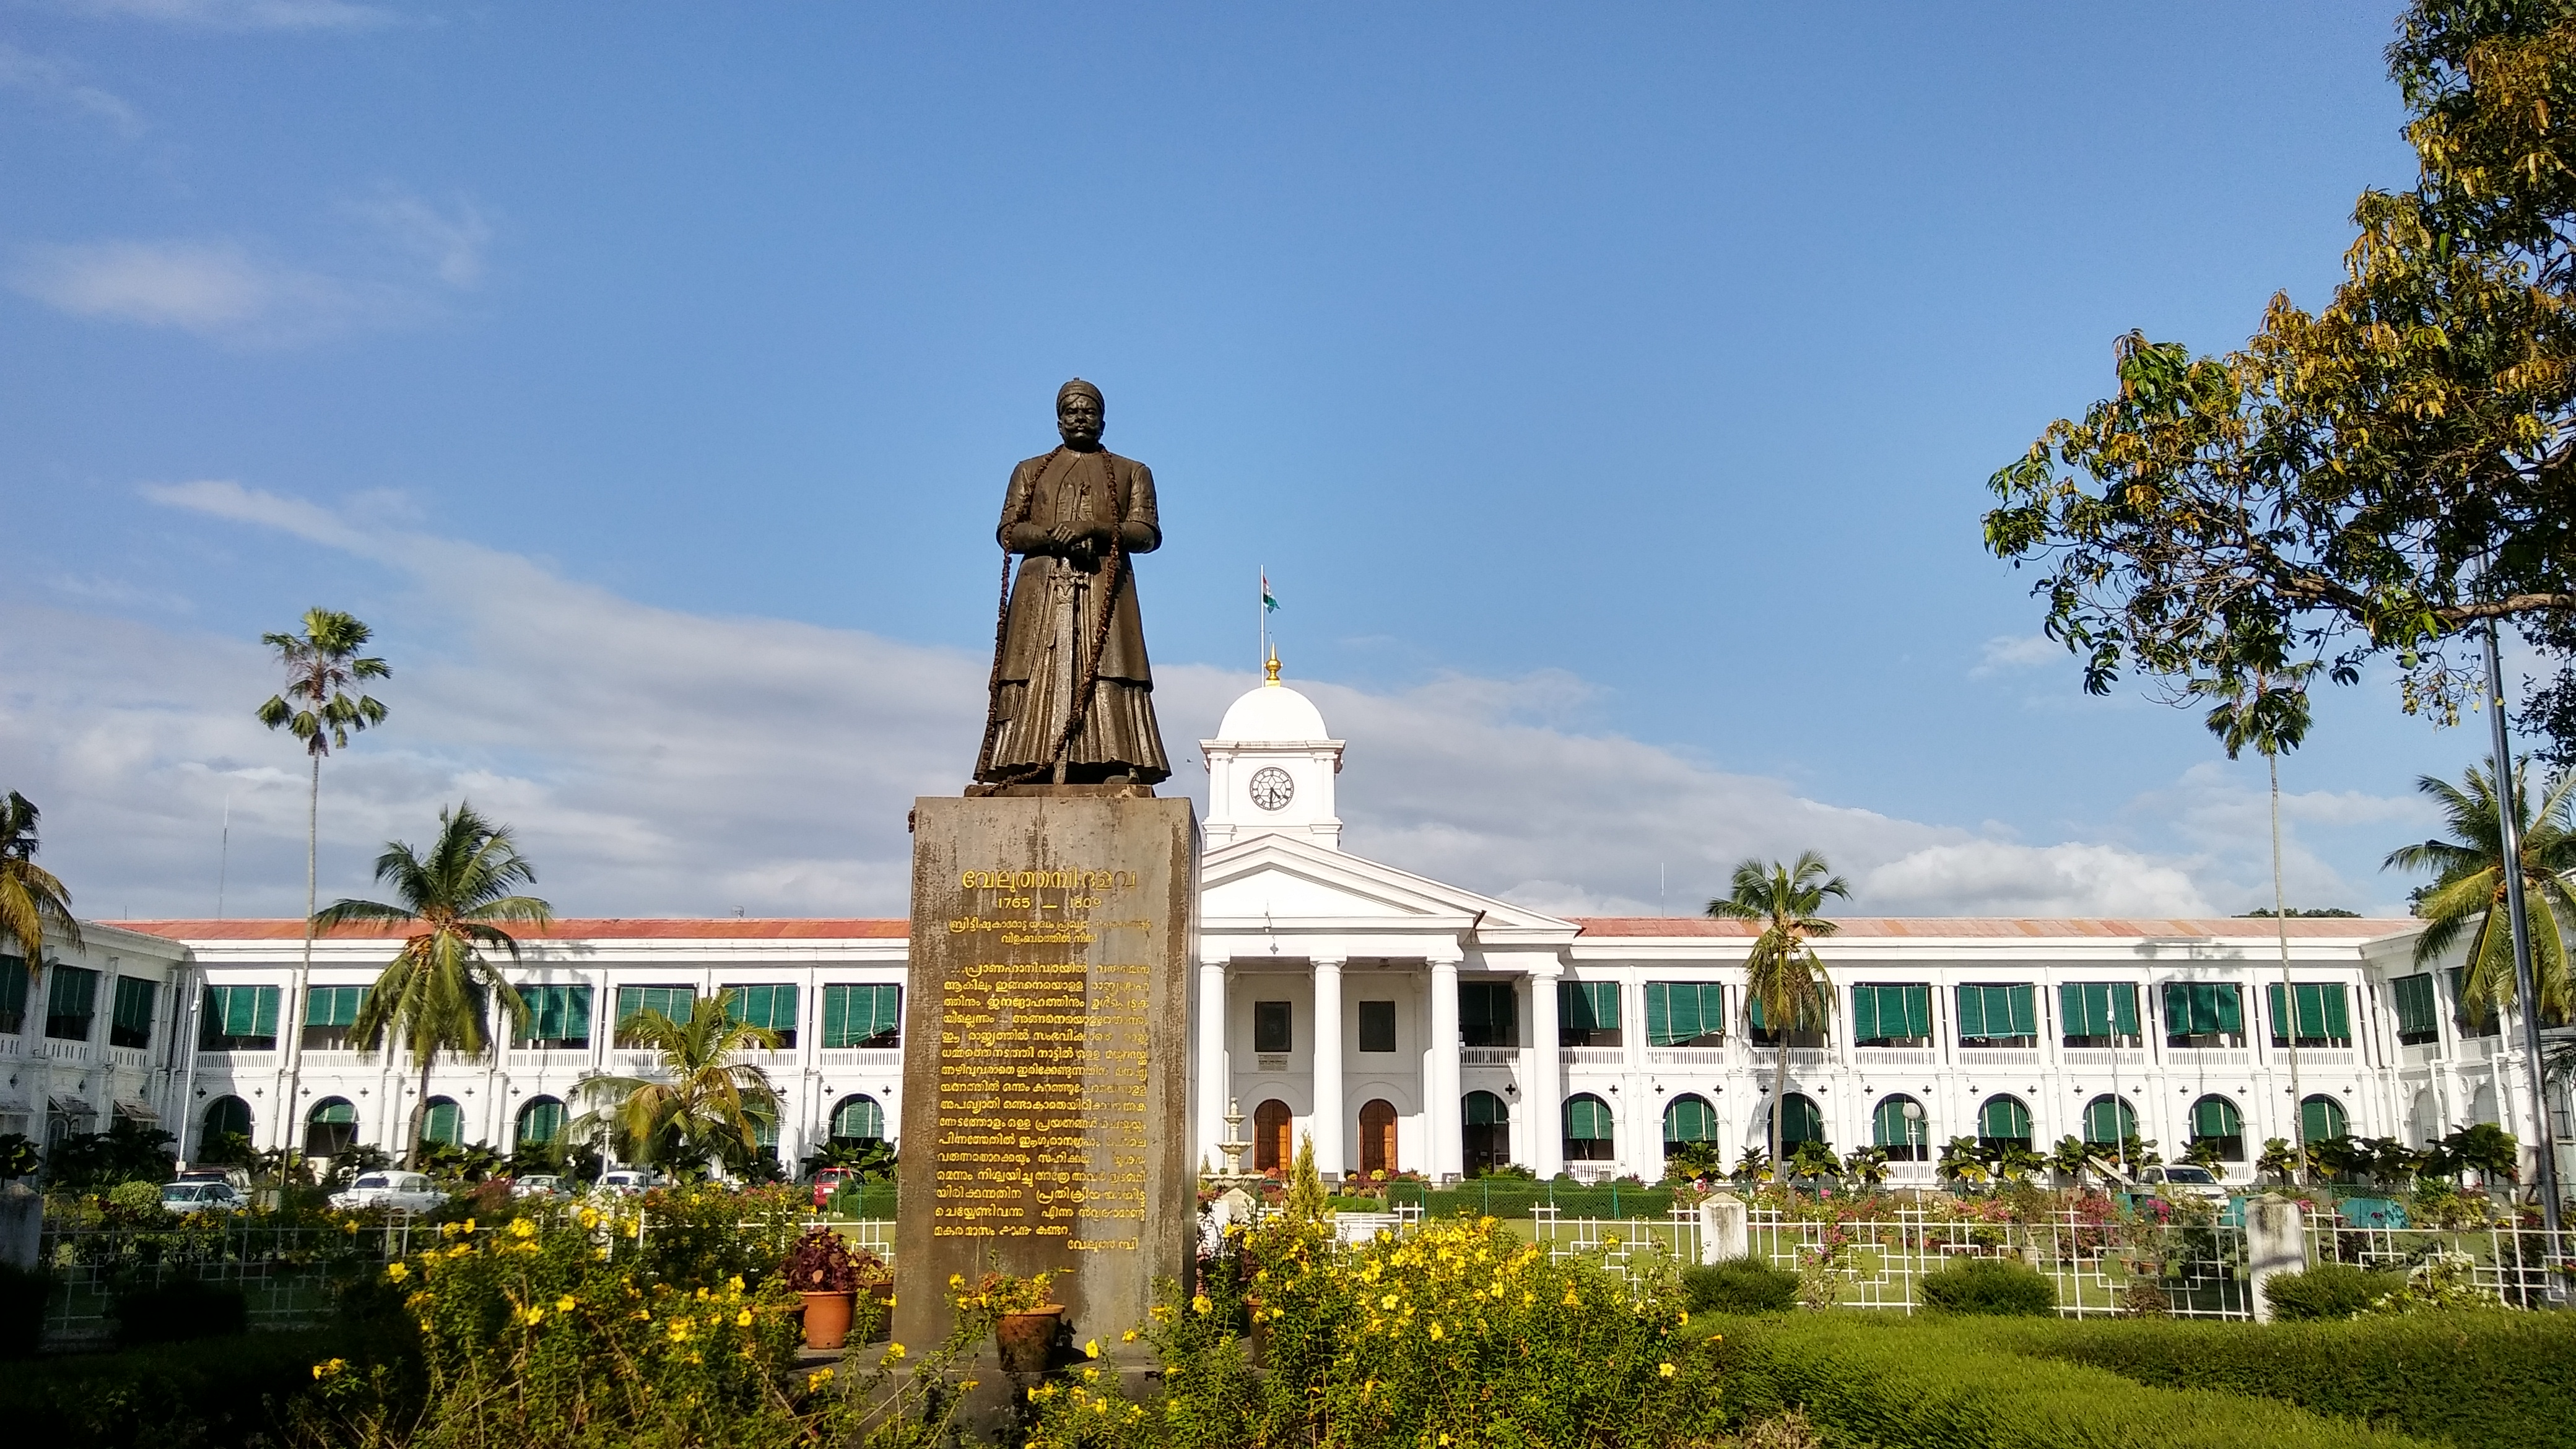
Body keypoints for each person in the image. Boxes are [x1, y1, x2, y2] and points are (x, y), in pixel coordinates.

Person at [973, 378, 1172, 786]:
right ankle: (1024, 760)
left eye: (1089, 411)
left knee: (1108, 668)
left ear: (1103, 420)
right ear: (1059, 420)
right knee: (1033, 670)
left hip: (1104, 587)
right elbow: (1008, 533)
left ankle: (1116, 758)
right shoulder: (1029, 470)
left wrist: (1096, 530)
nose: (1080, 418)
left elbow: (1146, 532)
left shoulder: (1132, 471)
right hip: (1041, 589)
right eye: (1071, 411)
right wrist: (1052, 537)